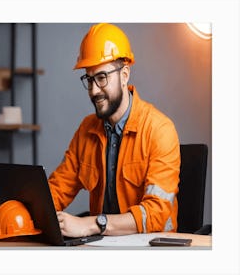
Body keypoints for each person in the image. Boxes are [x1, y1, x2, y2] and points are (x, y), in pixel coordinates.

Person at [48, 23, 180, 238]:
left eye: (101, 78)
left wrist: (93, 224)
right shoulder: (87, 130)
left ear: (124, 74)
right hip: (102, 248)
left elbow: (156, 213)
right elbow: (55, 192)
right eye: (89, 79)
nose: (93, 90)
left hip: (152, 249)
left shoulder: (160, 130)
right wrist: (13, 213)